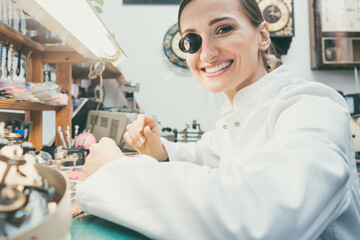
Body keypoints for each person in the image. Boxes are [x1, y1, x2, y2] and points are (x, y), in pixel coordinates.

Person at [76, 0, 360, 239]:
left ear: (262, 36)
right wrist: (160, 151)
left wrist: (116, 170)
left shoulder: (311, 106)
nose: (207, 53)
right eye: (192, 40)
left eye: (223, 29)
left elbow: (263, 216)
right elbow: (204, 154)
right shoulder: (239, 116)